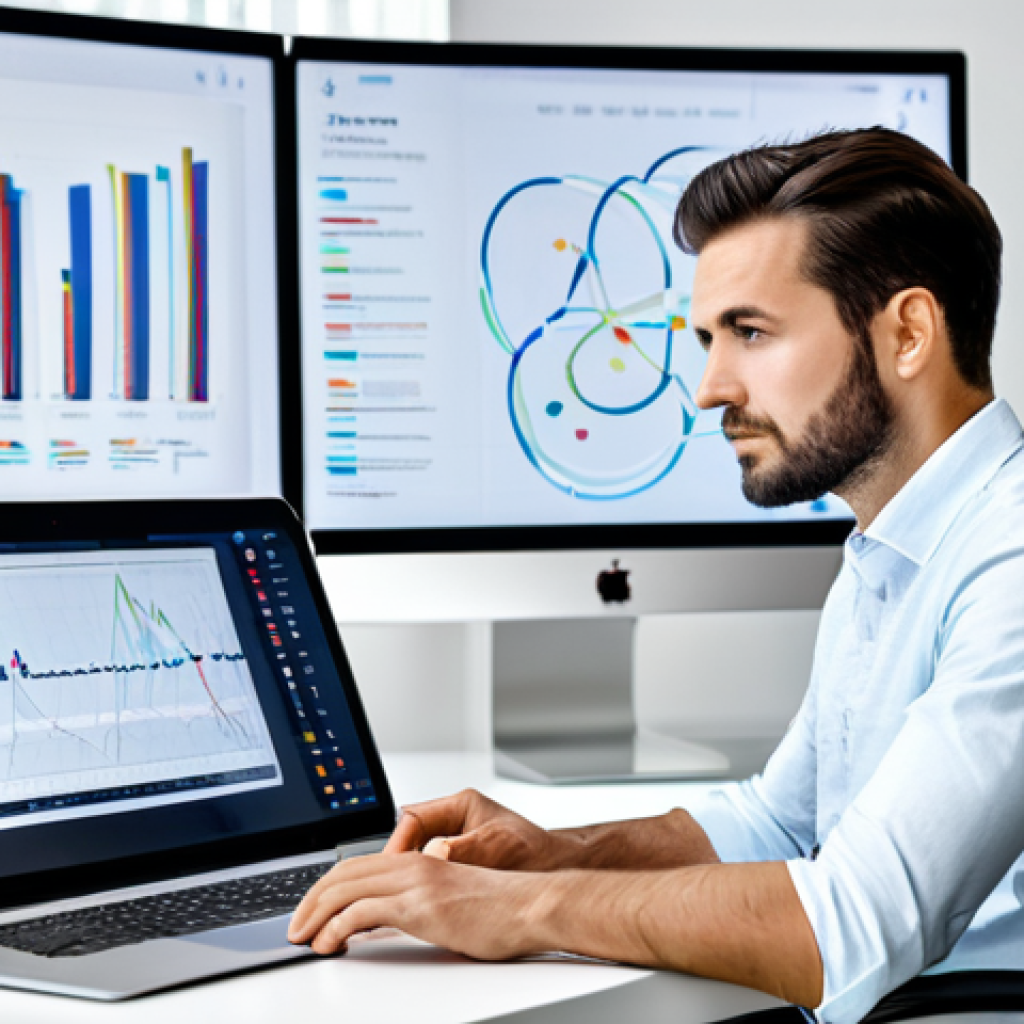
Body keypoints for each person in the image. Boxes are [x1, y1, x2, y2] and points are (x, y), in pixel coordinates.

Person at [289, 128, 1024, 1023]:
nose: (710, 387)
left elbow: (850, 927)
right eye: (709, 339)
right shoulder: (893, 547)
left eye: (750, 332)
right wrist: (555, 854)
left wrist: (517, 910)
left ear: (908, 332)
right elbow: (781, 826)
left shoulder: (1009, 559)